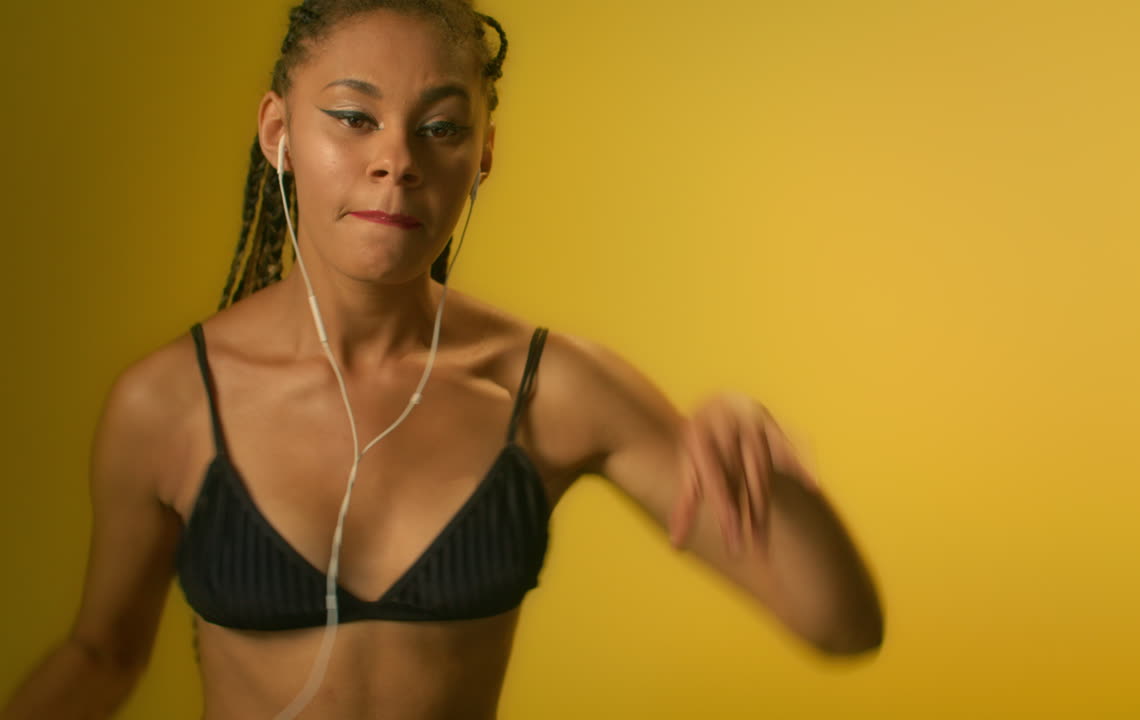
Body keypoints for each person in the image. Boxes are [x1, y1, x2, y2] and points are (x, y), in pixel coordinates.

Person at [1, 1, 883, 718]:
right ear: (277, 132)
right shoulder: (170, 405)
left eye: (441, 129)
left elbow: (841, 625)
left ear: (484, 154)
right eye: (352, 118)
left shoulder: (549, 391)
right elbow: (102, 655)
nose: (396, 161)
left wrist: (770, 468)